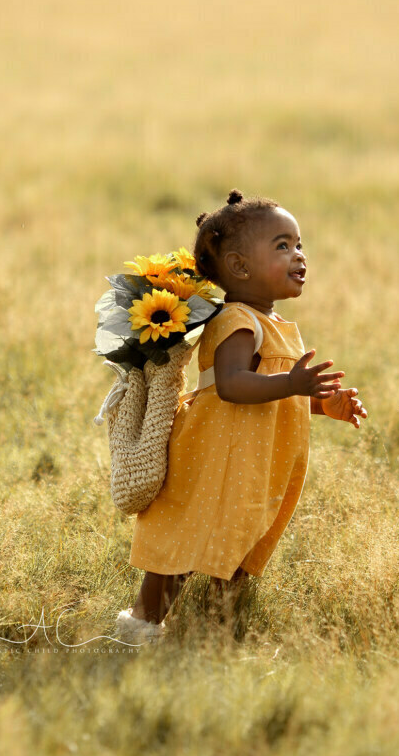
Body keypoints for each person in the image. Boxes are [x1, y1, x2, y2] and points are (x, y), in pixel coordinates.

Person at [115, 190, 367, 645]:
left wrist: (320, 402)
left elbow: (270, 396)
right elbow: (231, 385)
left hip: (250, 464)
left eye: (299, 243)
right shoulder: (236, 320)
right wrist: (292, 384)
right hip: (216, 458)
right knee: (186, 540)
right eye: (282, 246)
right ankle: (142, 627)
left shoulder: (273, 325)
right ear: (239, 266)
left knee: (238, 540)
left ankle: (218, 632)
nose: (299, 256)